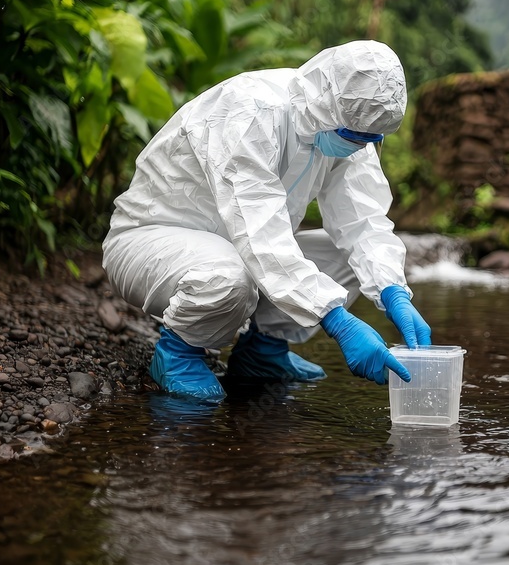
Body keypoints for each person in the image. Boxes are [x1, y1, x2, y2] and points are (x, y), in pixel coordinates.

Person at [102, 40, 431, 404]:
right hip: (151, 241)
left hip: (236, 250)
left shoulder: (346, 125)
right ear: (328, 110)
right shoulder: (250, 110)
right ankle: (180, 351)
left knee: (347, 261)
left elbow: (363, 222)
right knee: (227, 278)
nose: (361, 146)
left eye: (372, 139)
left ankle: (263, 350)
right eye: (356, 137)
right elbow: (259, 230)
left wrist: (394, 291)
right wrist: (336, 321)